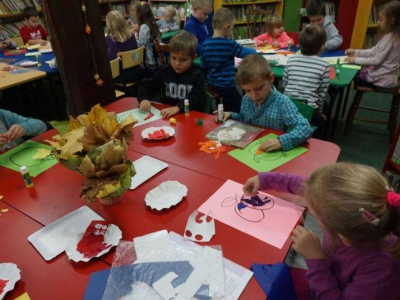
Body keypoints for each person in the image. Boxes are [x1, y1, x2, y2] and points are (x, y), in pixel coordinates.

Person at [243, 162, 400, 300]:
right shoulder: (350, 216)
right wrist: (266, 180)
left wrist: (315, 260)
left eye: (315, 215)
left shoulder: (382, 270)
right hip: (319, 281)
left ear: (344, 237)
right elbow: (310, 187)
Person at [218, 54, 312, 151]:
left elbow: (305, 128)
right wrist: (231, 115)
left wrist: (281, 141)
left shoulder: (283, 103)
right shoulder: (246, 99)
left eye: (259, 88)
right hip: (249, 148)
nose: (254, 95)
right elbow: (245, 119)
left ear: (271, 78)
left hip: (271, 152)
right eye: (248, 90)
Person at [137, 31, 205, 118]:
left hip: (188, 117)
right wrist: (143, 99)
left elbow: (198, 100)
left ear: (193, 58)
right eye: (173, 58)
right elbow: (145, 86)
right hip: (167, 117)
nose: (177, 63)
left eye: (183, 60)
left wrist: (177, 108)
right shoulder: (166, 71)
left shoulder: (197, 75)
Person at [201, 8, 256, 113]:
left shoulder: (205, 44)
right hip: (226, 86)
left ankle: (222, 112)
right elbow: (243, 52)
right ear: (227, 27)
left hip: (212, 83)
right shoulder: (230, 44)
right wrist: (256, 51)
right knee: (239, 106)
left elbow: (203, 65)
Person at [283, 25, 330, 138]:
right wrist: (320, 112)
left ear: (299, 45)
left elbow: (285, 83)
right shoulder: (325, 65)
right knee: (323, 119)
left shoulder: (291, 60)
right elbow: (322, 93)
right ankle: (318, 142)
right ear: (322, 47)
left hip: (287, 105)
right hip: (309, 109)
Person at [345, 1, 400, 90]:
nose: (378, 22)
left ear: (391, 21)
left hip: (381, 79)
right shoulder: (394, 36)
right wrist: (356, 52)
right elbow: (374, 51)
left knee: (353, 74)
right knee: (361, 71)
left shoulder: (389, 39)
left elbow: (376, 60)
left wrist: (355, 59)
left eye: (381, 19)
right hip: (389, 77)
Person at [136, 2, 160, 71]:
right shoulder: (154, 24)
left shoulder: (144, 27)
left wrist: (134, 40)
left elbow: (141, 46)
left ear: (139, 16)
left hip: (150, 63)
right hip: (157, 61)